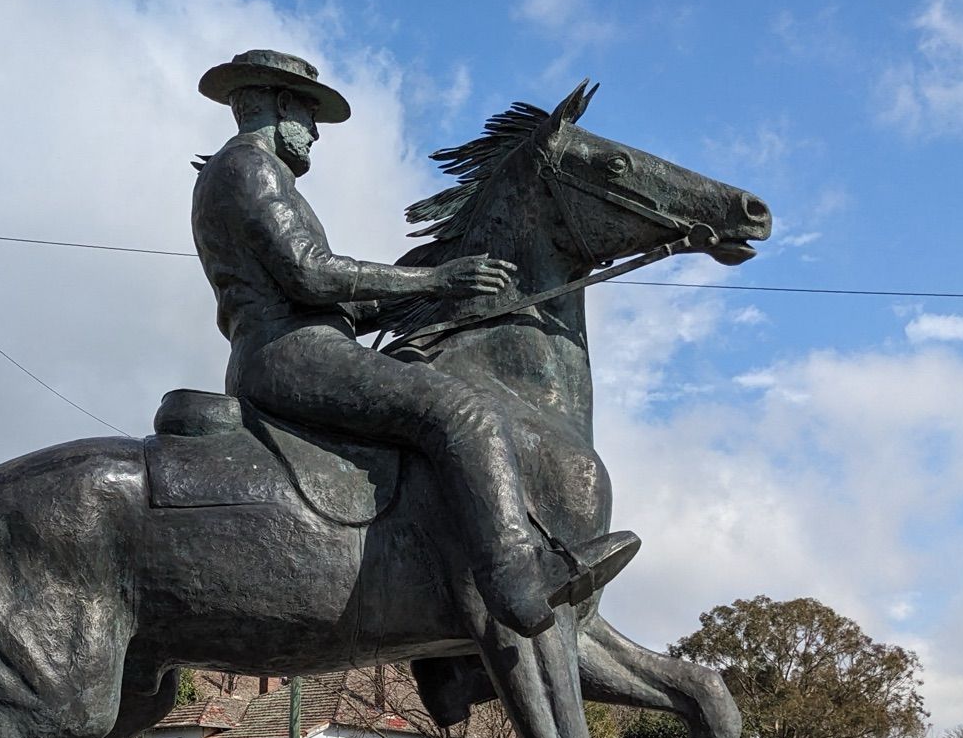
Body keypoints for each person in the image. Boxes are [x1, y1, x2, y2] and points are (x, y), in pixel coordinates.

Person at [189, 48, 639, 638]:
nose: (316, 133)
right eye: (309, 114)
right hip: (289, 353)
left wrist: (445, 295)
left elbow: (326, 294)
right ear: (277, 104)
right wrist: (435, 279)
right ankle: (517, 582)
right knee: (463, 413)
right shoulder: (249, 166)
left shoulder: (247, 171)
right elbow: (311, 272)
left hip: (299, 342)